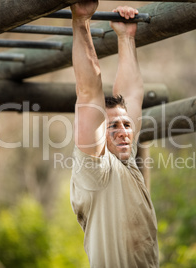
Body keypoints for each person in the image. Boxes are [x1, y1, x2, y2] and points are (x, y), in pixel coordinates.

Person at [69, 0, 159, 267]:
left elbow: (131, 93)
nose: (123, 132)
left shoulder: (127, 164)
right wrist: (81, 23)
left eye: (126, 125)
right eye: (113, 126)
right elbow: (88, 92)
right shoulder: (96, 169)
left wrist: (126, 37)